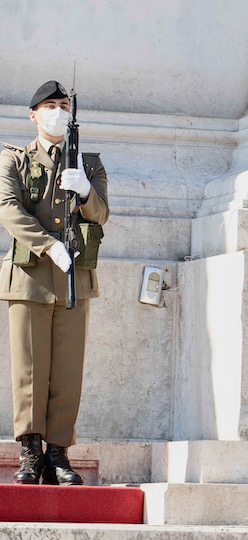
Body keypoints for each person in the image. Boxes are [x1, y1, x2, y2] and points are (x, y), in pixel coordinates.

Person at [0, 80, 109, 485]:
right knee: (29, 370)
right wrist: (48, 246)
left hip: (74, 280)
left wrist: (83, 191)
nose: (58, 112)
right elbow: (8, 209)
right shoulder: (14, 159)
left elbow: (101, 213)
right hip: (29, 277)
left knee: (66, 372)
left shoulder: (88, 163)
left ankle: (58, 453)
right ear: (33, 114)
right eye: (49, 105)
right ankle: (30, 452)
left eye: (64, 105)